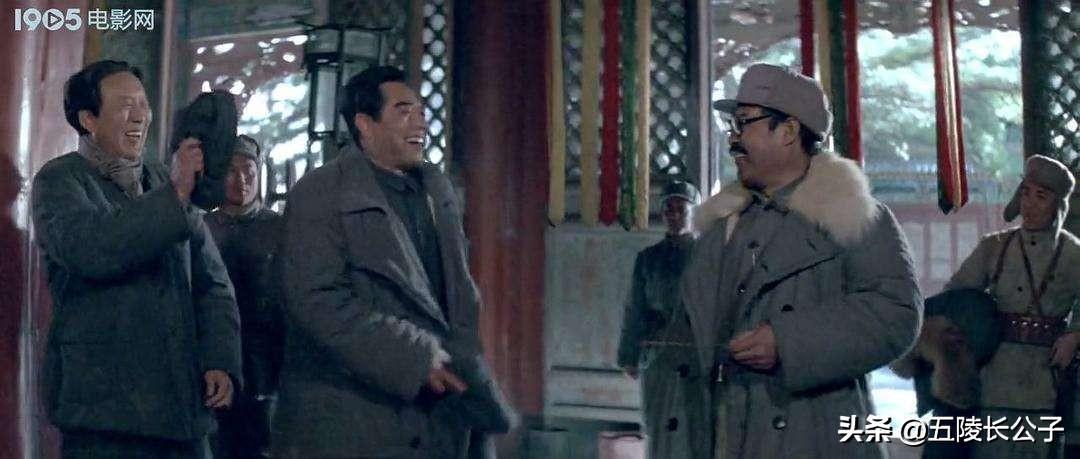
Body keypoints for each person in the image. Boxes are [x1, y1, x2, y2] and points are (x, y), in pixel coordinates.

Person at [680, 63, 921, 458]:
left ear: (788, 131)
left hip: (814, 434)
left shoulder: (854, 217)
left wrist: (788, 341)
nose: (733, 139)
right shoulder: (723, 224)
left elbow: (895, 313)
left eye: (743, 123)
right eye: (731, 126)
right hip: (726, 432)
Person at [274, 65, 515, 458]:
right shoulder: (321, 193)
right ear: (365, 124)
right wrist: (414, 356)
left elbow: (454, 299)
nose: (420, 122)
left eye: (421, 111)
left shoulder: (437, 191)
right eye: (404, 111)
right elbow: (314, 300)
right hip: (351, 415)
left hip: (439, 410)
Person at [31, 59, 242, 457]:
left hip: (181, 406)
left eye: (143, 104)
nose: (140, 116)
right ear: (88, 119)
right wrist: (176, 195)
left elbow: (213, 283)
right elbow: (92, 248)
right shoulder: (59, 180)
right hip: (105, 411)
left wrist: (220, 359)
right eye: (125, 105)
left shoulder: (162, 180)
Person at [942, 154, 1080, 459]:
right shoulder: (993, 247)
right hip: (995, 378)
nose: (1029, 204)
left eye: (1041, 196)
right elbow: (956, 297)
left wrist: (1075, 334)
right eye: (1025, 193)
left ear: (1058, 205)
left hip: (1045, 381)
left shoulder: (1073, 254)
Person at [616, 180, 709, 459]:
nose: (675, 215)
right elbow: (635, 308)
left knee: (696, 428)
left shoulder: (709, 257)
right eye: (669, 209)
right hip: (657, 355)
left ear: (694, 212)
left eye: (682, 208)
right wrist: (629, 356)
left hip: (696, 355)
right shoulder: (648, 259)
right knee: (658, 426)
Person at [204, 135, 283, 458]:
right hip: (214, 363)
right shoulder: (203, 228)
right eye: (231, 171)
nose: (241, 180)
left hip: (267, 367)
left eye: (249, 171)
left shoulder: (281, 229)